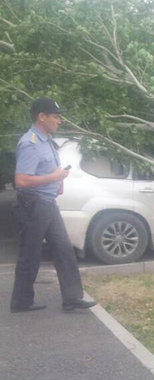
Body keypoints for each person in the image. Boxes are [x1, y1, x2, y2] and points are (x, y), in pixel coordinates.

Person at [10, 98, 96, 313]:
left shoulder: (46, 140)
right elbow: (21, 181)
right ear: (42, 116)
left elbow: (48, 171)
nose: (59, 121)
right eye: (56, 116)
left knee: (64, 250)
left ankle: (72, 298)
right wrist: (53, 177)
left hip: (48, 204)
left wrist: (58, 181)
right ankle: (21, 302)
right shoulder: (30, 143)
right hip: (33, 205)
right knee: (30, 254)